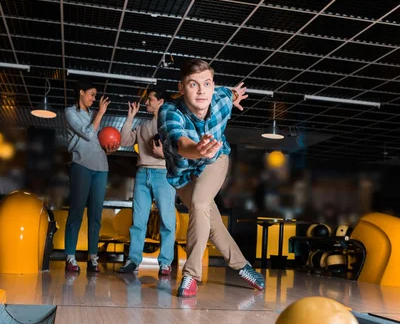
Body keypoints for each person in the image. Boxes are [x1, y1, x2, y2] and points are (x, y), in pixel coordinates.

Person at [158, 59, 265, 297]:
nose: (201, 91)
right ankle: (244, 266)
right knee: (209, 219)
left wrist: (236, 96)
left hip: (216, 161)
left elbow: (231, 92)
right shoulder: (169, 111)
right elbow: (181, 143)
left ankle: (190, 275)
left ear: (213, 85)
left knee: (199, 203)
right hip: (183, 173)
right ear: (181, 87)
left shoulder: (221, 98)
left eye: (206, 84)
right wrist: (197, 150)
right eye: (193, 84)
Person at [117, 90, 176, 275]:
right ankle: (133, 260)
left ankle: (165, 263)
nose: (146, 102)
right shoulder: (143, 126)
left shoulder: (171, 125)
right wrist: (129, 118)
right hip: (142, 173)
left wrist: (164, 155)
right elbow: (124, 140)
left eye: (150, 99)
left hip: (163, 174)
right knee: (138, 221)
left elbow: (181, 154)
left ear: (160, 101)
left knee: (167, 220)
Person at [64, 80, 119, 273]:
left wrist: (108, 149)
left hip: (101, 167)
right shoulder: (70, 112)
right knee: (76, 212)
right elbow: (87, 133)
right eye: (92, 94)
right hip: (81, 165)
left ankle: (93, 257)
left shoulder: (94, 114)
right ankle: (70, 257)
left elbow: (97, 140)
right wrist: (101, 113)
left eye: (95, 95)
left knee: (96, 215)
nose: (94, 99)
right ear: (81, 92)